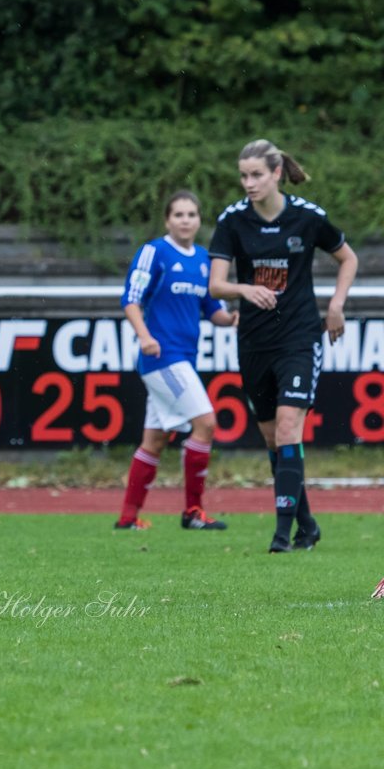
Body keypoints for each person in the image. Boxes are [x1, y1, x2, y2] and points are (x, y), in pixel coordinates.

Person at [208, 139, 358, 553]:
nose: (248, 183)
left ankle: (281, 536)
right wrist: (244, 289)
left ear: (276, 174)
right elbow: (215, 284)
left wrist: (337, 305)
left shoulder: (307, 217)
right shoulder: (233, 220)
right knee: (274, 440)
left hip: (298, 337)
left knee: (290, 427)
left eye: (256, 174)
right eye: (243, 175)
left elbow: (349, 258)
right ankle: (307, 524)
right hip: (254, 341)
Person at [115, 191, 237, 532]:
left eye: (192, 214)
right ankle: (193, 512)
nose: (186, 220)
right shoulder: (154, 251)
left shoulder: (202, 259)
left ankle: (127, 518)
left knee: (154, 439)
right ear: (168, 220)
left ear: (199, 220)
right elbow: (131, 299)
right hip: (162, 357)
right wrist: (144, 336)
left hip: (184, 358)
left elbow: (213, 311)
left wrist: (236, 318)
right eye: (179, 214)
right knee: (207, 423)